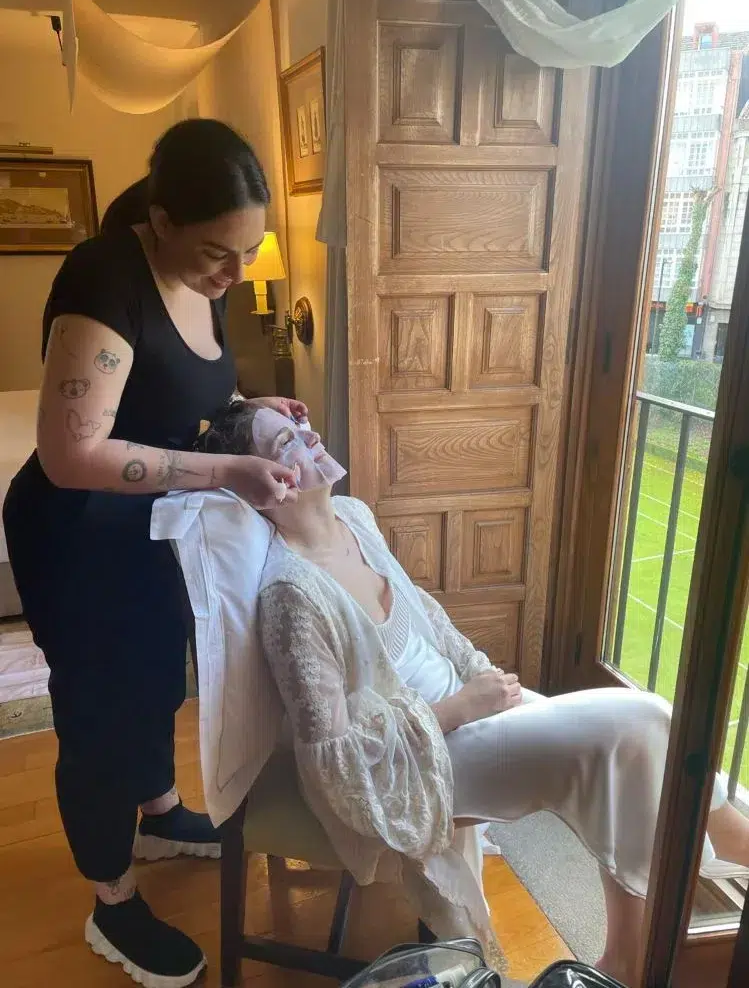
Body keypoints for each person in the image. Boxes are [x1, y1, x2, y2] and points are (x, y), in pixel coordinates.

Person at [199, 399, 749, 987]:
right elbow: (335, 761)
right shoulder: (291, 596)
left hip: (463, 708)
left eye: (302, 427)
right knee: (635, 723)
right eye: (285, 443)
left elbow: (426, 618)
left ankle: (629, 958)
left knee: (645, 733)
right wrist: (458, 709)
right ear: (261, 486)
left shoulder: (354, 517)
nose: (309, 438)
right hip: (414, 760)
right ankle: (636, 962)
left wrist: (478, 676)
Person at [2, 119, 306, 988]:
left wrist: (250, 403)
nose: (234, 273)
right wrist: (230, 467)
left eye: (247, 251)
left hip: (155, 529)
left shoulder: (198, 273)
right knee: (102, 715)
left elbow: (178, 390)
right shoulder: (104, 279)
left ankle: (160, 812)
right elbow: (73, 452)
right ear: (162, 218)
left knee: (158, 684)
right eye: (219, 251)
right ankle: (112, 900)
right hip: (80, 536)